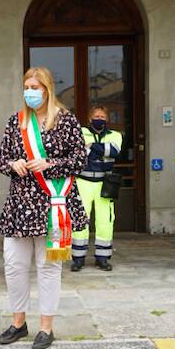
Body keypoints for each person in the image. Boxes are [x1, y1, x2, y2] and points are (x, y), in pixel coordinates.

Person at [0, 67, 88, 349]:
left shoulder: (65, 120)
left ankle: (46, 327)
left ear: (48, 88)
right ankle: (19, 322)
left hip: (53, 203)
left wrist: (50, 165)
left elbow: (79, 159)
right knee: (14, 265)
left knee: (48, 267)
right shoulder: (17, 122)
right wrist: (13, 164)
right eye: (27, 86)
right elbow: (1, 159)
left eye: (36, 86)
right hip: (20, 205)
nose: (31, 91)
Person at [71, 106, 123, 272]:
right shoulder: (79, 132)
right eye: (96, 116)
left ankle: (103, 258)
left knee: (105, 221)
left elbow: (114, 151)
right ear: (89, 118)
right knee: (80, 221)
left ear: (107, 119)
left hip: (104, 183)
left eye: (102, 116)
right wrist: (101, 150)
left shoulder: (115, 135)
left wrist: (91, 146)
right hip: (83, 182)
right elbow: (77, 153)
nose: (99, 118)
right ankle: (78, 259)